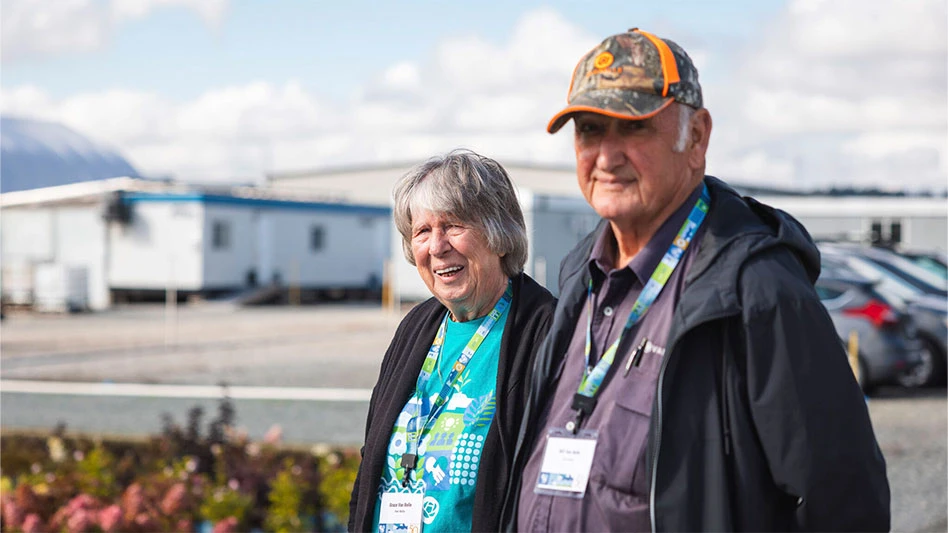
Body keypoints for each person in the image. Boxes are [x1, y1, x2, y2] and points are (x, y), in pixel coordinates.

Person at [501, 28, 890, 531]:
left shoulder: (755, 290)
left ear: (697, 137)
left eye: (633, 128)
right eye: (590, 130)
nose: (606, 156)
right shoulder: (580, 274)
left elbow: (845, 500)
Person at [349, 149, 557, 532]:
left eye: (455, 225)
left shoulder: (547, 331)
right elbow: (371, 460)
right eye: (422, 231)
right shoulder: (416, 326)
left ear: (499, 235)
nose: (437, 246)